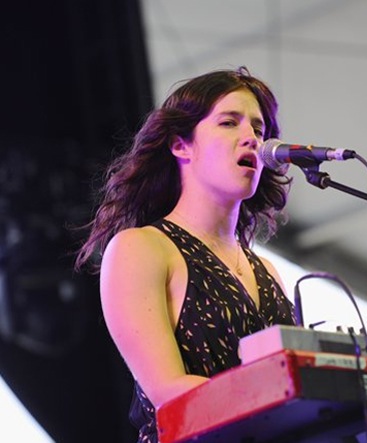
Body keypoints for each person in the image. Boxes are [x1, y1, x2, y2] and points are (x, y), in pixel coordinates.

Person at [75, 67, 296, 442]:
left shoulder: (267, 271)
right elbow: (169, 392)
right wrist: (291, 394)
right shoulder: (141, 248)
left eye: (259, 130)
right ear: (181, 145)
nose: (252, 140)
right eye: (229, 123)